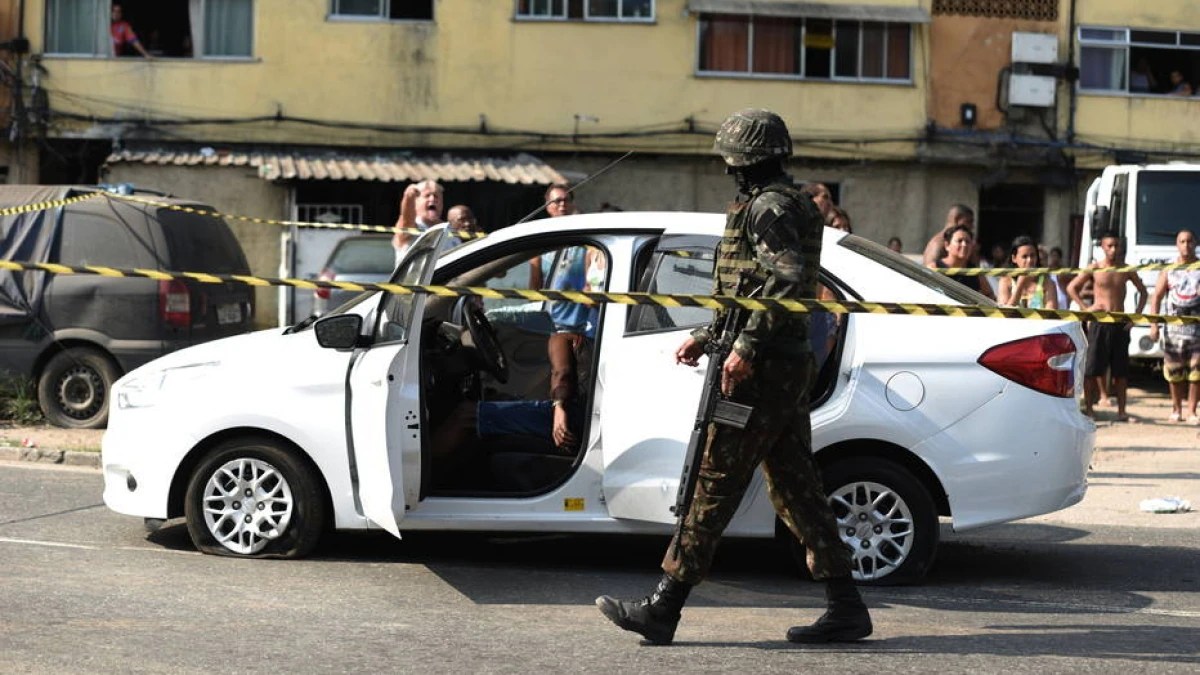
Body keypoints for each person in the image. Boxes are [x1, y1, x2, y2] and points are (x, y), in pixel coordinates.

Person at [594, 108, 871, 646]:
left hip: (763, 368)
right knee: (797, 489)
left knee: (715, 479)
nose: (729, 171)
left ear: (747, 161)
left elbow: (787, 278)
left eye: (732, 161)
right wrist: (709, 334)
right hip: (780, 364)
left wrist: (743, 346)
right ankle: (846, 605)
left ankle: (664, 607)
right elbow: (749, 286)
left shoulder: (768, 207)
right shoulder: (777, 203)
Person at [1067, 234, 1148, 421]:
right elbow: (1072, 288)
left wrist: (1135, 316)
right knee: (1092, 369)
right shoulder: (1095, 268)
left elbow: (1143, 292)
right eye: (1110, 245)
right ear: (1103, 247)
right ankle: (1089, 409)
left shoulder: (1126, 269)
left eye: (1116, 246)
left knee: (1121, 372)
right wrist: (1086, 309)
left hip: (1119, 323)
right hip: (1099, 323)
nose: (1113, 249)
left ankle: (1122, 411)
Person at [1148, 230, 1200, 424]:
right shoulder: (1169, 268)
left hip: (1197, 333)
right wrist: (1154, 325)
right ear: (1177, 245)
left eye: (1189, 241)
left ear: (1195, 243)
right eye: (1182, 241)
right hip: (1173, 332)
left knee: (1196, 373)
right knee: (1174, 372)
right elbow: (1157, 298)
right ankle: (1176, 410)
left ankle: (1192, 411)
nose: (1186, 245)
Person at [930, 225, 996, 300]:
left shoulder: (975, 272)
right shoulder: (934, 268)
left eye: (967, 242)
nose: (964, 245)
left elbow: (989, 295)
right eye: (959, 241)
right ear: (947, 245)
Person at [997, 236, 1058, 309]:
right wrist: (1020, 286)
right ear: (1014, 258)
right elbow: (1003, 313)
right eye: (1024, 257)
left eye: (1033, 256)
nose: (1030, 260)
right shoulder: (1005, 282)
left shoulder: (1048, 283)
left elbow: (1051, 315)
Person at [393, 180, 445, 264]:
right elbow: (407, 220)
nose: (432, 199)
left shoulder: (449, 229)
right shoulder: (412, 226)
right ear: (416, 201)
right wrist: (409, 197)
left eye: (436, 196)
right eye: (427, 195)